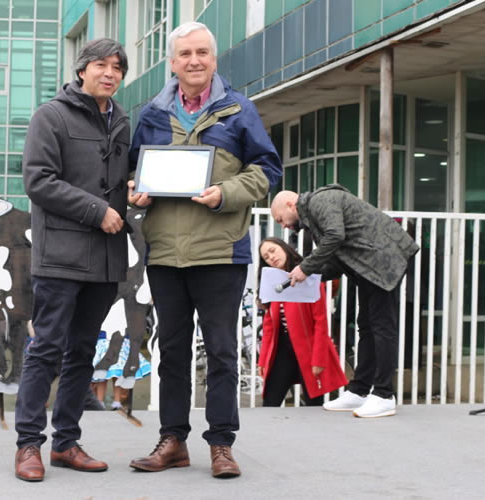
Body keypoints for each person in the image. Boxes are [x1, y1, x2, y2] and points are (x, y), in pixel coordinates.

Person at [127, 22, 282, 478]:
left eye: (202, 53)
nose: (194, 61)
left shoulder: (239, 111)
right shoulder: (153, 114)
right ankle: (172, 439)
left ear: (214, 59)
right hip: (165, 254)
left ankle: (221, 444)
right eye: (185, 54)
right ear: (172, 63)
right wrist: (135, 191)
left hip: (220, 251)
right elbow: (133, 173)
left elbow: (267, 169)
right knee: (171, 350)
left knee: (220, 350)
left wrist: (226, 192)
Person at [14, 38, 131, 482]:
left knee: (84, 351)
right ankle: (29, 443)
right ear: (82, 69)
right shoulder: (51, 116)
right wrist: (96, 211)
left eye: (117, 67)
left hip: (105, 259)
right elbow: (38, 181)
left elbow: (115, 180)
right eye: (101, 64)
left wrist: (134, 191)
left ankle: (65, 442)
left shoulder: (121, 120)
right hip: (60, 256)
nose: (109, 73)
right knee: (45, 349)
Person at [270, 185, 419, 418]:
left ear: (291, 205)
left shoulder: (319, 201)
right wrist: (307, 275)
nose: (283, 225)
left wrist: (306, 268)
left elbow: (335, 237)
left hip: (382, 261)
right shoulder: (316, 214)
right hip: (371, 265)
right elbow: (338, 257)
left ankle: (383, 394)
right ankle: (359, 391)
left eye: (280, 219)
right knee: (367, 327)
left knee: (381, 328)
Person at [256, 237, 348, 407]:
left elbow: (321, 321)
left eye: (273, 250)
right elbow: (268, 325)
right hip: (281, 352)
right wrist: (262, 360)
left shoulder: (309, 277)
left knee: (314, 404)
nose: (271, 257)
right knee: (269, 402)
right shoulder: (271, 283)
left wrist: (319, 359)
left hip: (309, 350)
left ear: (284, 248)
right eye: (266, 257)